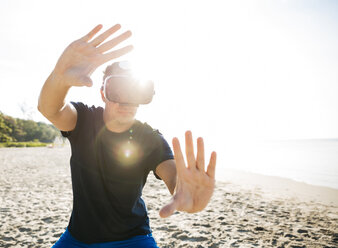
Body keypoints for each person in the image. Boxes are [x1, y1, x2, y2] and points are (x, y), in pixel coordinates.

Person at [38, 24, 217, 248]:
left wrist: (185, 191)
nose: (126, 100)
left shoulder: (150, 138)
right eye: (118, 89)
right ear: (103, 92)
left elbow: (173, 178)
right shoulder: (83, 120)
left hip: (133, 238)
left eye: (134, 91)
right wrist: (59, 78)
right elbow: (50, 109)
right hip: (77, 238)